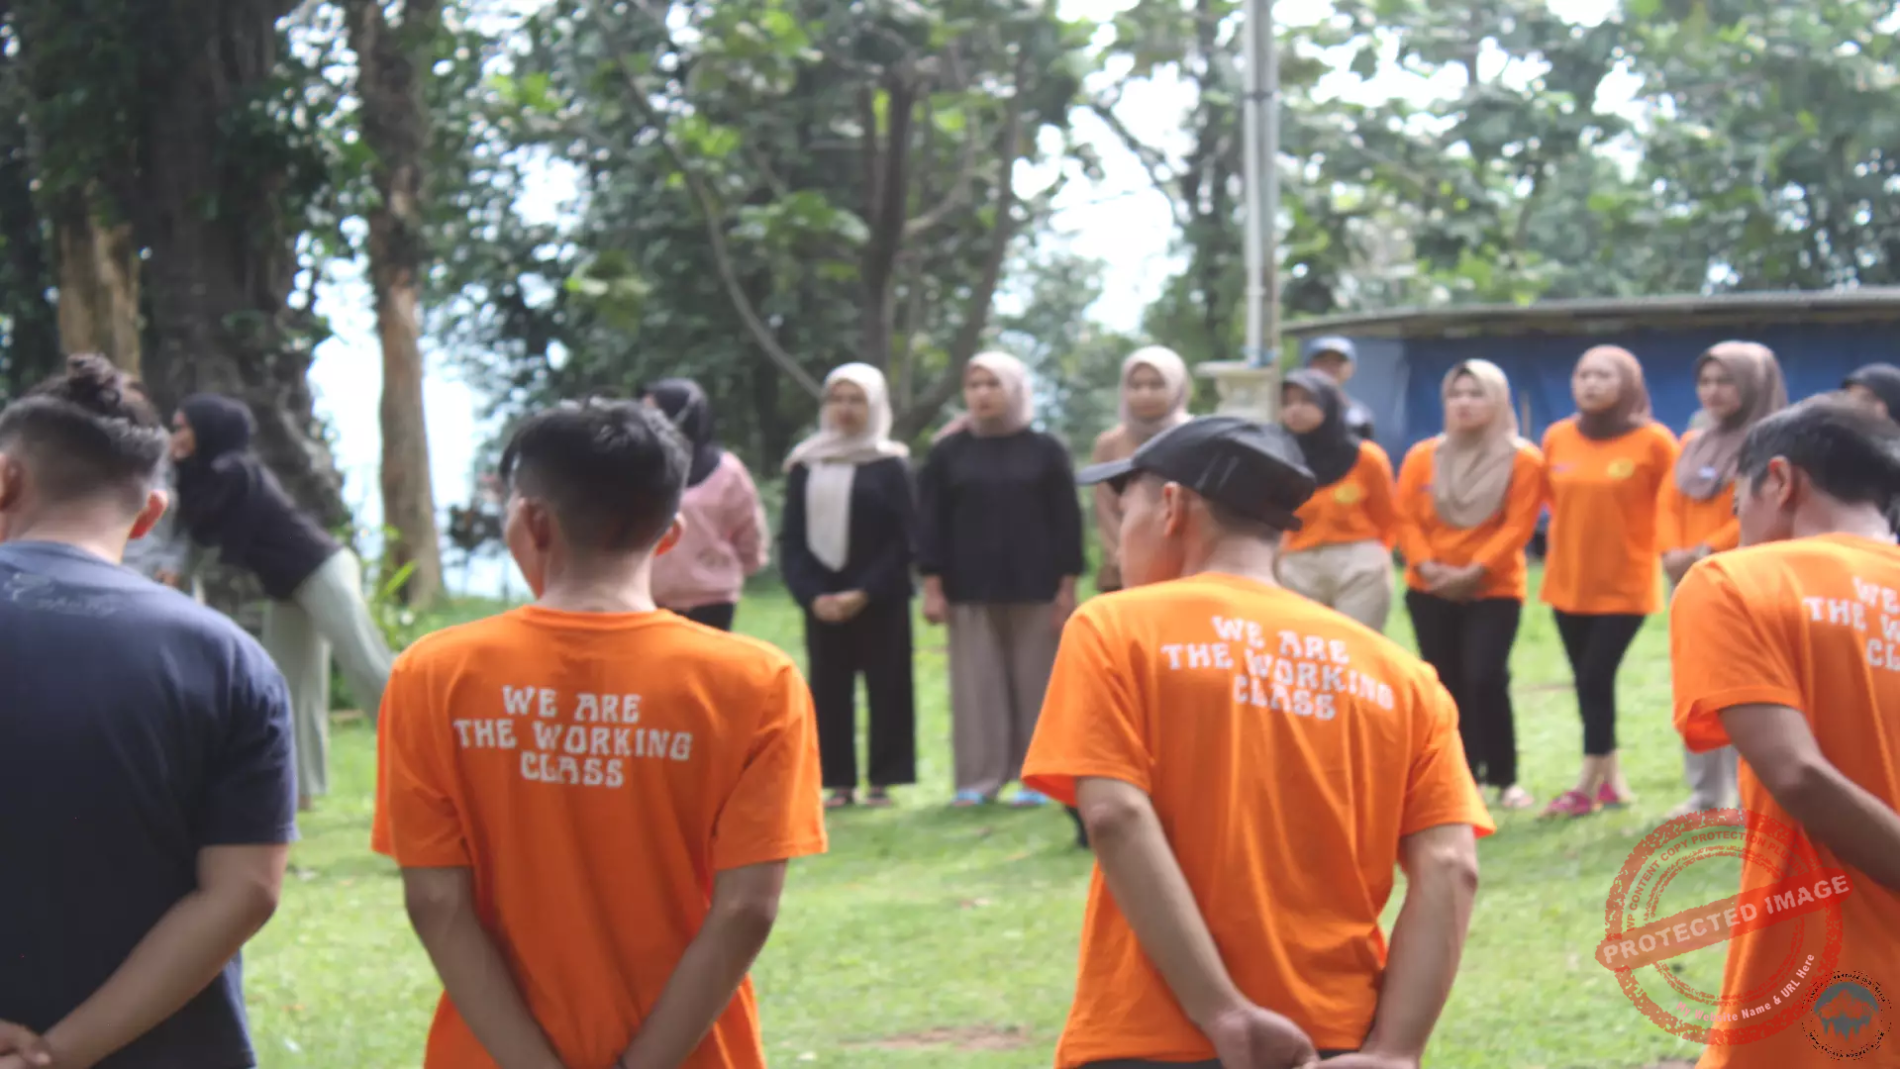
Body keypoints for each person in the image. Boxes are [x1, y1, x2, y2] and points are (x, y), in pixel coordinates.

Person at [1023, 416, 1492, 1069]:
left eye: (1121, 506)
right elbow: (1451, 865)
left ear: (1169, 506)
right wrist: (1395, 1050)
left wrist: (1223, 1010)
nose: (1118, 535)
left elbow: (1114, 813)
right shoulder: (1401, 675)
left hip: (1152, 1036)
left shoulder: (1115, 627)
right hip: (1333, 1039)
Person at [371, 398, 826, 1069]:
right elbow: (746, 911)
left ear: (532, 519)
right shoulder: (756, 682)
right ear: (669, 533)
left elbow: (437, 900)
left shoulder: (433, 674)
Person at [0, 356, 296, 1069]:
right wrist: (60, 1053)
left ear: (6, 477)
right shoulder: (230, 658)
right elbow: (246, 891)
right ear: (149, 513)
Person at [1669, 397, 1900, 1069]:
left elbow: (1796, 772)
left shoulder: (1734, 580)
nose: (1738, 528)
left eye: (1738, 507)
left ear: (1780, 479)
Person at [171, 393, 394, 810]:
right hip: (287, 587)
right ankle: (299, 793)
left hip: (321, 569)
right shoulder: (213, 473)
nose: (174, 436)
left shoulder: (233, 472)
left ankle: (439, 755)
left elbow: (201, 524)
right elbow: (198, 524)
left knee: (367, 665)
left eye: (182, 427)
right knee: (290, 690)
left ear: (206, 431)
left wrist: (175, 467)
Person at [918, 352, 1085, 809]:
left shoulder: (1046, 449)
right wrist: (932, 586)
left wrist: (1066, 588)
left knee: (1037, 684)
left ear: (1015, 389)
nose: (983, 393)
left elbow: (1066, 522)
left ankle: (1037, 779)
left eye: (993, 384)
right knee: (976, 687)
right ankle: (978, 779)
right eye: (974, 385)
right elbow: (929, 522)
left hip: (1037, 587)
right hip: (967, 588)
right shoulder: (948, 452)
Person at [1396, 360, 1546, 811]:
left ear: (1498, 400)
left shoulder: (1523, 459)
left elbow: (1519, 524)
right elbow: (1404, 517)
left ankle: (1505, 778)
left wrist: (1474, 570)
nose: (1464, 402)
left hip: (1493, 588)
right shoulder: (1425, 455)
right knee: (1444, 683)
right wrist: (1427, 566)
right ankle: (1461, 777)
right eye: (1455, 394)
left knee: (1485, 678)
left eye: (1475, 393)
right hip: (1429, 586)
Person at [1538, 346, 1678, 818]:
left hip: (1626, 584)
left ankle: (1583, 785)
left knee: (1595, 675)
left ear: (1629, 384)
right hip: (1567, 582)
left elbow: (1674, 506)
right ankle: (1613, 781)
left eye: (1603, 376)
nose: (1590, 384)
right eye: (1583, 375)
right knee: (1588, 682)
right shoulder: (1557, 437)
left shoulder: (1654, 441)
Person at [1657, 342, 1787, 817]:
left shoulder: (1776, 440)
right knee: (1695, 681)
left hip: (1743, 575)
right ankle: (1707, 793)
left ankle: (1751, 792)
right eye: (1706, 381)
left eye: (1726, 381)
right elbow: (1667, 501)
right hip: (1689, 577)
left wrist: (1706, 549)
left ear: (1753, 384)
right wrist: (1672, 551)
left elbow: (1762, 505)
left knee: (1746, 686)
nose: (1712, 392)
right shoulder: (1693, 441)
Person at [781, 364, 917, 809]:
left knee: (888, 684)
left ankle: (884, 780)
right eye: (837, 399)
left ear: (875, 405)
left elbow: (907, 538)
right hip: (823, 596)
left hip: (880, 595)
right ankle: (837, 783)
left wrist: (864, 592)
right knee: (829, 688)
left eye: (856, 399)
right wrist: (814, 594)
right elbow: (793, 537)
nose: (845, 408)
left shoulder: (890, 463)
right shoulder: (805, 463)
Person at [642, 378, 770, 631]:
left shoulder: (726, 471)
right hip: (648, 596)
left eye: (653, 413)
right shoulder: (638, 469)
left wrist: (743, 563)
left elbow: (748, 528)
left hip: (711, 597)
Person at [1276, 368, 1399, 632]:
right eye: (1287, 403)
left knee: (1356, 647)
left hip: (1358, 563)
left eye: (1306, 401)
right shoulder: (1279, 458)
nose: (1295, 410)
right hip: (1297, 564)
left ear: (1328, 404)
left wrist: (1375, 557)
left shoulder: (1366, 457)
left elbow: (1387, 515)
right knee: (1303, 650)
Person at [1090, 346, 1192, 593]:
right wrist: (1125, 554)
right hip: (1124, 568)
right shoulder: (1110, 444)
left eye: (1156, 385)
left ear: (1177, 387)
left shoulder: (1195, 437)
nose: (1145, 394)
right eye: (1135, 386)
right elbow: (1105, 507)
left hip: (1186, 565)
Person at [1302, 335, 1377, 440]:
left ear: (1351, 369)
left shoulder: (1358, 415)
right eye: (1322, 361)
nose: (1329, 367)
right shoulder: (1293, 408)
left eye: (1337, 362)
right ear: (1309, 366)